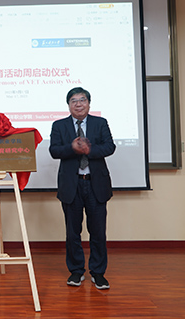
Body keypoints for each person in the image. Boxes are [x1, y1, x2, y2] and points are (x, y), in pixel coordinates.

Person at [49, 87, 116, 290]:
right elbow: (54, 150)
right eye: (74, 101)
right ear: (68, 105)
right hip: (72, 185)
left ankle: (98, 273)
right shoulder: (59, 125)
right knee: (73, 232)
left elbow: (110, 147)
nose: (78, 104)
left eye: (82, 100)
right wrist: (72, 148)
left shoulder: (100, 123)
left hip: (95, 184)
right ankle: (76, 271)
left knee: (98, 232)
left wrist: (89, 149)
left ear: (89, 103)